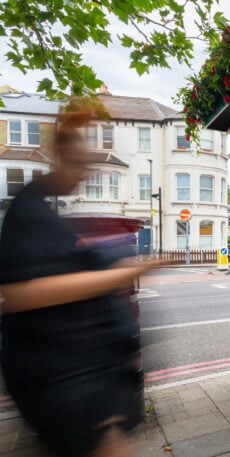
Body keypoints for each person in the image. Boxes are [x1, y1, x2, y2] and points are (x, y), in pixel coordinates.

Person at [0, 112, 160, 457]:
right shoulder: (26, 211)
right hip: (61, 378)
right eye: (80, 163)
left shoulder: (40, 209)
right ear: (62, 157)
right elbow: (20, 294)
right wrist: (123, 272)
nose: (86, 173)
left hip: (81, 371)